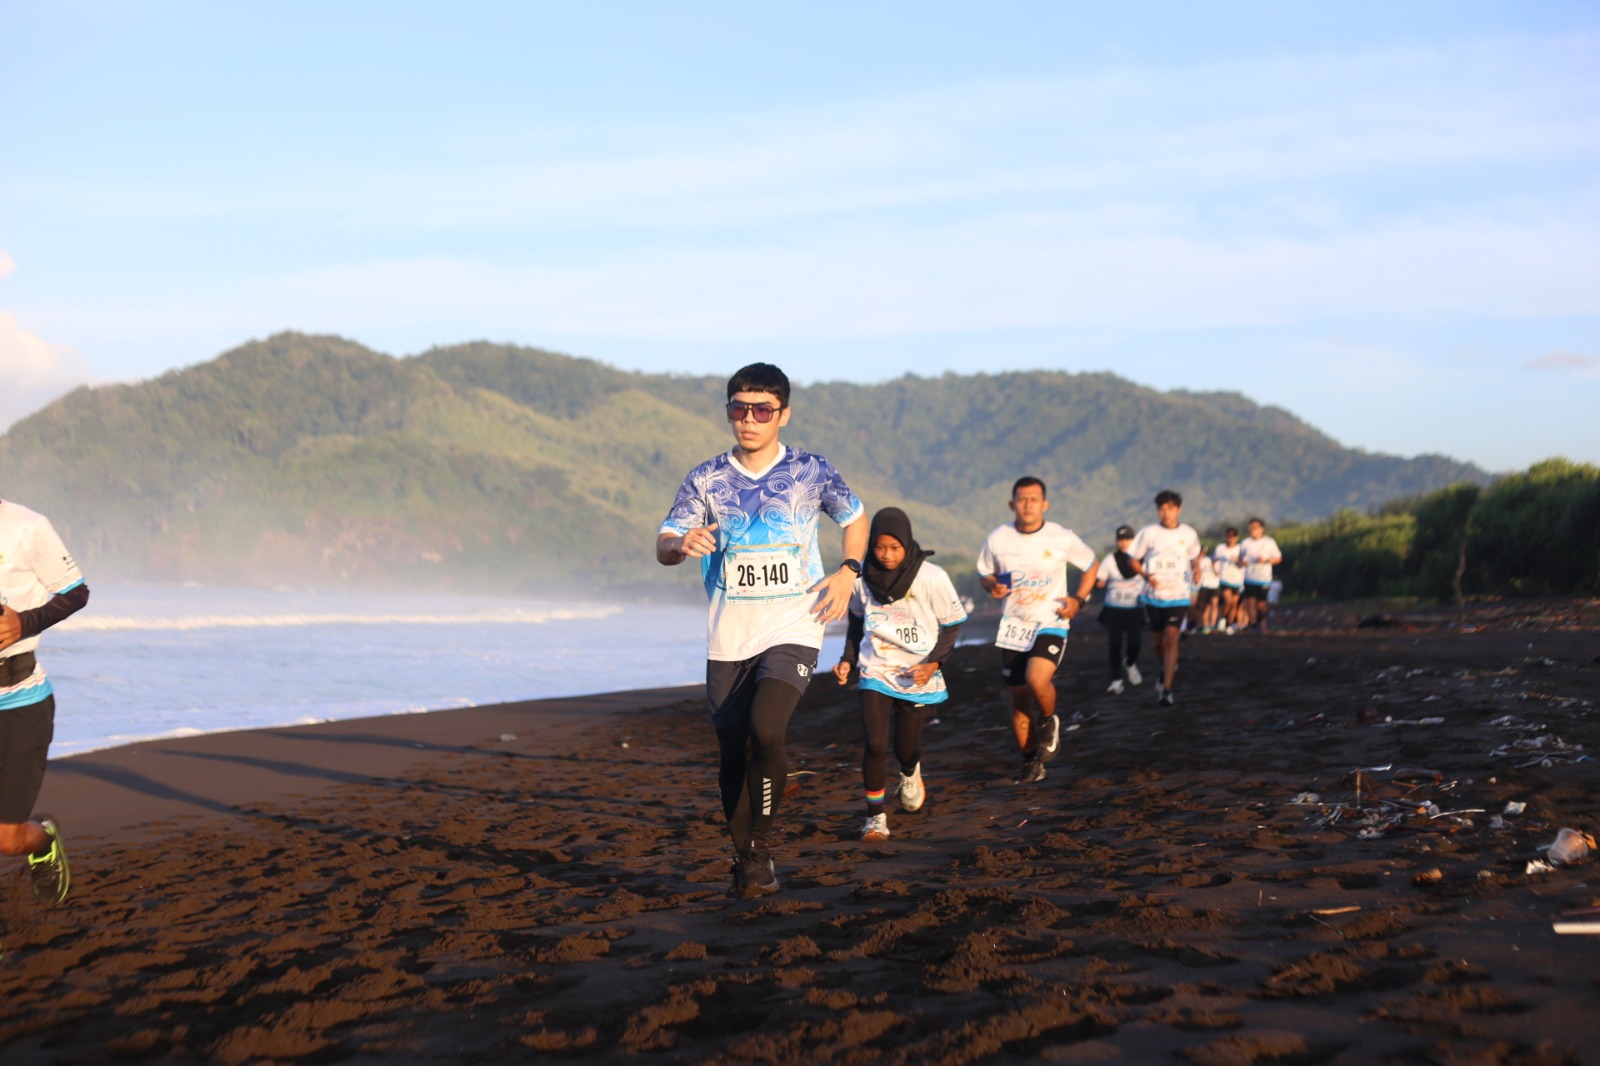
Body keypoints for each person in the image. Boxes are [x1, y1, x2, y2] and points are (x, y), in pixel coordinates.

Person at [658, 363, 866, 899]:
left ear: (783, 414)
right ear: (729, 411)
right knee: (732, 754)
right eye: (739, 408)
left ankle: (763, 844)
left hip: (794, 624)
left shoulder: (810, 471)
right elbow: (665, 540)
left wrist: (849, 572)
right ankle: (747, 858)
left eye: (762, 410)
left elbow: (855, 519)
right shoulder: (706, 478)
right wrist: (680, 546)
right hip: (729, 635)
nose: (749, 419)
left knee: (767, 731)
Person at [833, 508, 966, 842]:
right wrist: (848, 660)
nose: (887, 555)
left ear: (907, 544)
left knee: (905, 748)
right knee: (875, 744)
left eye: (894, 547)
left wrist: (934, 664)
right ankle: (875, 818)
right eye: (879, 547)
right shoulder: (861, 579)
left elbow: (951, 625)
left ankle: (910, 772)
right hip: (876, 669)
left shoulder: (931, 577)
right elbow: (856, 622)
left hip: (916, 673)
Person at [976, 478, 1098, 784]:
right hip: (1014, 627)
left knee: (1036, 679)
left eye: (1034, 499)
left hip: (1051, 621)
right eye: (1022, 499)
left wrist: (1078, 600)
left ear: (1045, 504)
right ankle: (1031, 761)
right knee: (1018, 698)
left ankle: (1048, 720)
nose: (1027, 505)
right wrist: (992, 586)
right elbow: (984, 573)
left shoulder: (1061, 537)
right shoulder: (998, 538)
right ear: (1011, 504)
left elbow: (1092, 565)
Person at [0, 497, 89, 908]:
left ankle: (41, 841)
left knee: (8, 838)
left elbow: (75, 592)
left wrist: (24, 623)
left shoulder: (26, 526)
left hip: (20, 703)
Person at [1126, 490, 1202, 707]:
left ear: (1178, 509)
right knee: (1159, 642)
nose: (1165, 512)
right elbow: (1133, 560)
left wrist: (1196, 570)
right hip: (1154, 597)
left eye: (1169, 508)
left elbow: (1195, 556)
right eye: (1161, 508)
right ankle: (1166, 668)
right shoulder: (1149, 533)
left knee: (1171, 638)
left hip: (1179, 596)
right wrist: (1145, 575)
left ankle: (1167, 690)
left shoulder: (1188, 534)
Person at [1094, 525, 1146, 695]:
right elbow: (1100, 579)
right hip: (1114, 609)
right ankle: (1116, 680)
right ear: (1117, 541)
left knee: (1135, 644)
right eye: (1121, 539)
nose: (1124, 543)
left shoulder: (1143, 559)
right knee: (1115, 645)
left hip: (1135, 609)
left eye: (1128, 539)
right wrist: (1098, 583)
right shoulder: (1109, 559)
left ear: (1134, 540)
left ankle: (1130, 663)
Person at [1239, 518, 1284, 632]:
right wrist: (1242, 562)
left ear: (1261, 529)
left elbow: (1278, 558)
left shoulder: (1269, 542)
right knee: (1250, 602)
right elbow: (1240, 558)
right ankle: (1253, 624)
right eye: (1250, 528)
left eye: (1255, 528)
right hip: (1249, 577)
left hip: (1264, 578)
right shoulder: (1245, 543)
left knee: (1261, 604)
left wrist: (1266, 560)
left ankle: (1262, 621)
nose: (1252, 530)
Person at [1212, 527, 1245, 634]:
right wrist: (1215, 571)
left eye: (1233, 536)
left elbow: (1246, 563)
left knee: (1234, 604)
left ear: (1237, 537)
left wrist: (1238, 561)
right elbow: (1214, 560)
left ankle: (1229, 624)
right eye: (1229, 536)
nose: (1231, 538)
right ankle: (1222, 619)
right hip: (1225, 579)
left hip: (1237, 580)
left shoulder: (1241, 549)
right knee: (1228, 601)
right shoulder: (1220, 548)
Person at [1193, 548, 1222, 633]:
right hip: (1205, 586)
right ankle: (1205, 626)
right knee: (1205, 607)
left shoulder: (1219, 563)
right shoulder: (1204, 560)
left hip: (1215, 586)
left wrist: (1213, 566)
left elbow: (1218, 574)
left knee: (1214, 605)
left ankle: (1212, 625)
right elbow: (1199, 572)